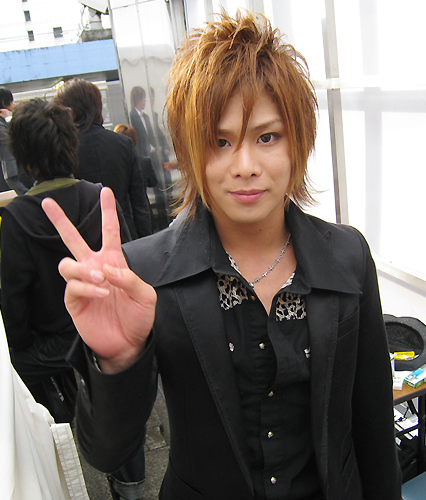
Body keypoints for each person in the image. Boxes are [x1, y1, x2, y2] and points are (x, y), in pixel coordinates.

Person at [42, 11, 402, 500]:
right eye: (219, 141)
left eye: (267, 137)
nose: (245, 166)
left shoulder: (347, 255)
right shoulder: (142, 275)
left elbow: (374, 424)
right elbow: (108, 452)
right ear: (190, 150)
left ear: (298, 141)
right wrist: (117, 360)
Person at [0, 98, 131, 422]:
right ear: (71, 145)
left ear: (24, 158)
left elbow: (14, 297)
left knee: (15, 367)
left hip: (54, 345)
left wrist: (21, 343)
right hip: (109, 330)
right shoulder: (99, 196)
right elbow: (129, 261)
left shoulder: (15, 217)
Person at [54, 78, 152, 240]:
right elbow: (139, 202)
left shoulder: (63, 149)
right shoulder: (123, 143)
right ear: (97, 105)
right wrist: (145, 241)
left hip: (84, 240)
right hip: (125, 234)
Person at [130, 85, 172, 231]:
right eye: (143, 99)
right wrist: (148, 149)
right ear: (137, 99)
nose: (145, 102)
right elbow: (138, 140)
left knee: (161, 186)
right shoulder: (132, 117)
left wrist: (160, 148)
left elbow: (153, 136)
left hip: (154, 157)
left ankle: (165, 218)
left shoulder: (147, 117)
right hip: (145, 158)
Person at [0, 87, 32, 194]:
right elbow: (12, 140)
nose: (14, 104)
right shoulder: (3, 127)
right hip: (11, 186)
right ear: (4, 103)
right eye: (11, 101)